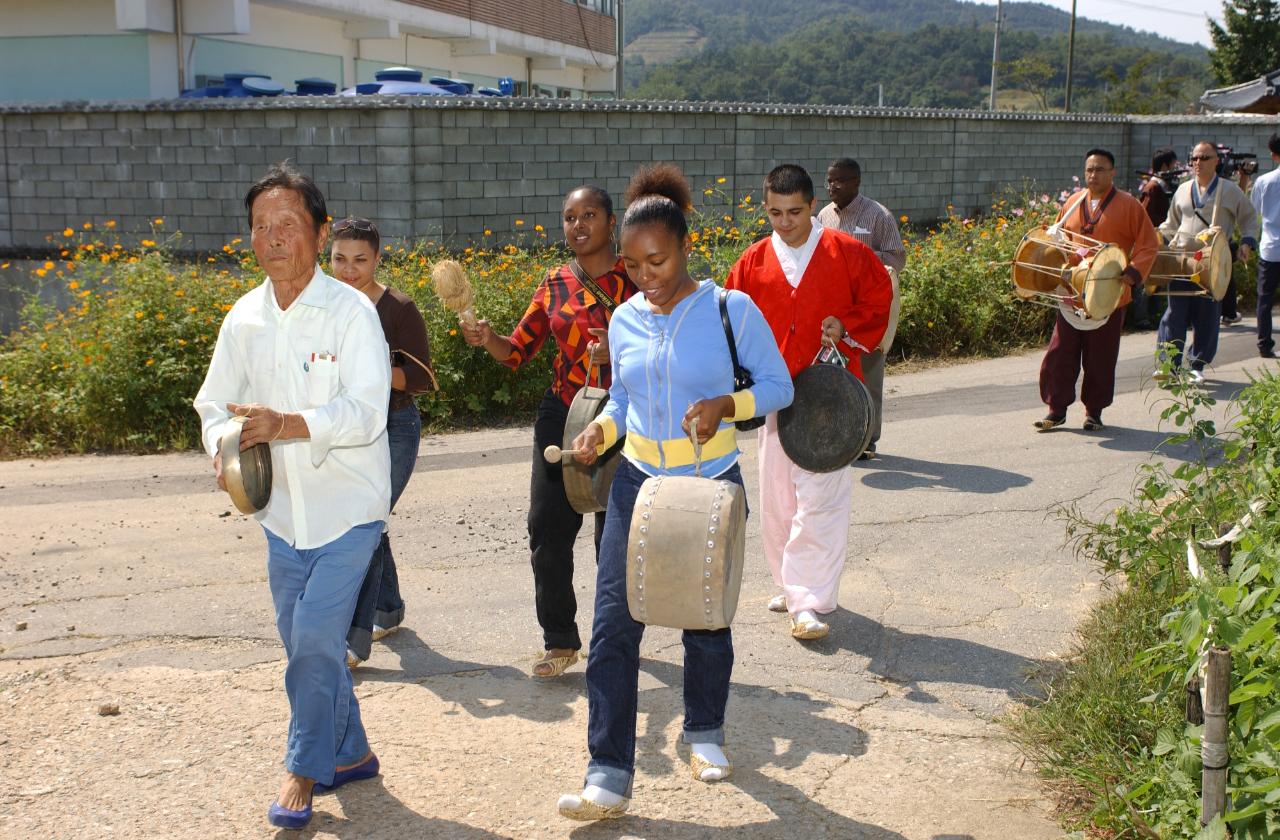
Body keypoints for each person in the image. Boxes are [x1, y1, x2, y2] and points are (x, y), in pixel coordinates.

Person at [555, 163, 793, 821]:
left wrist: (727, 401)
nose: (645, 277)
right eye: (632, 266)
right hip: (636, 484)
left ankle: (704, 732)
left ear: (686, 248)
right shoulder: (627, 319)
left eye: (656, 261)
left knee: (705, 621)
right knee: (612, 628)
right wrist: (599, 434)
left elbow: (780, 387)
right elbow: (626, 402)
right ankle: (607, 772)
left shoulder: (728, 309)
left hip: (710, 482)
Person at [193, 163, 390, 830]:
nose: (274, 238)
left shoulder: (351, 312)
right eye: (261, 228)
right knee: (306, 643)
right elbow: (212, 406)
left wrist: (289, 424)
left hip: (349, 510)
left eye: (289, 225)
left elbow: (367, 412)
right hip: (279, 514)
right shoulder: (244, 319)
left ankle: (303, 769)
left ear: (319, 231)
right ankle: (354, 751)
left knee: (311, 639)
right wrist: (224, 447)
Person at [460, 186, 635, 679]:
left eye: (589, 215)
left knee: (614, 537)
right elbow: (516, 351)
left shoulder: (638, 277)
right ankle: (560, 640)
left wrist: (615, 354)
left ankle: (614, 638)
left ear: (611, 221)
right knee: (547, 529)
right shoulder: (555, 283)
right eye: (569, 217)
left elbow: (662, 346)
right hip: (563, 414)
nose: (578, 225)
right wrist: (486, 337)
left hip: (622, 418)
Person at [726, 164, 893, 641]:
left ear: (813, 206)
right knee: (778, 497)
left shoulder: (849, 253)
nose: (785, 222)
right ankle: (785, 580)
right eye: (775, 213)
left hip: (831, 399)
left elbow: (880, 302)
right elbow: (731, 324)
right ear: (765, 208)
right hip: (775, 396)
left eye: (795, 212)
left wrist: (846, 325)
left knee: (821, 500)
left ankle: (808, 599)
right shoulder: (751, 262)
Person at [329, 217, 434, 668]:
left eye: (360, 260)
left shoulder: (399, 308)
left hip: (394, 426)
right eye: (339, 259)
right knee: (368, 518)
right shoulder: (324, 303)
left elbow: (423, 379)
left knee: (364, 522)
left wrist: (368, 369)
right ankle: (387, 609)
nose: (348, 270)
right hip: (345, 427)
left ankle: (354, 640)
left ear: (377, 259)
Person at [1035, 148, 1158, 431]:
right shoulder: (1073, 202)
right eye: (1089, 169)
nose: (1093, 175)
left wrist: (1133, 272)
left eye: (1100, 169)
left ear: (1112, 172)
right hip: (1072, 292)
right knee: (1060, 352)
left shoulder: (1129, 205)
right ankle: (1056, 409)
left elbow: (1149, 244)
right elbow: (1058, 241)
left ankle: (1094, 412)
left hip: (1109, 294)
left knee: (1100, 356)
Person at [817, 157, 906, 459]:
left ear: (857, 182)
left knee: (868, 376)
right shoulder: (824, 216)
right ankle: (840, 434)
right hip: (834, 312)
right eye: (829, 180)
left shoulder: (878, 216)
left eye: (840, 181)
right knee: (834, 375)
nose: (833, 187)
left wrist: (864, 261)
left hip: (867, 312)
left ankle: (867, 438)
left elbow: (897, 258)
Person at [1156, 140, 1258, 383]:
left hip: (1212, 263)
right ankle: (1168, 364)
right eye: (1195, 158)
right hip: (1182, 259)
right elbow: (1171, 223)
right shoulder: (1182, 190)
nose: (1198, 163)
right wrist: (1157, 238)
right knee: (1174, 313)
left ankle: (1197, 364)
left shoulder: (1229, 190)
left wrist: (1247, 242)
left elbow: (1249, 217)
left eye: (1204, 158)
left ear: (1217, 161)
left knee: (1207, 314)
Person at [1132, 147, 1181, 329]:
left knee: (1158, 278)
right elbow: (1144, 216)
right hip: (1150, 239)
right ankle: (1141, 318)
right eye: (1173, 164)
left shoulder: (1163, 186)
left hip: (1161, 238)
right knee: (1146, 279)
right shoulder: (1153, 188)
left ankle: (1152, 315)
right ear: (1164, 165)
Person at [1250, 133, 1280, 359]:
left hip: (1270, 248)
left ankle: (1264, 344)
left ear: (1273, 155)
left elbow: (1255, 213)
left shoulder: (1264, 181)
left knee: (1265, 298)